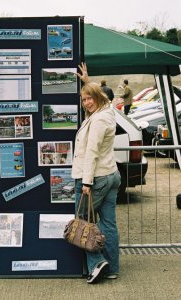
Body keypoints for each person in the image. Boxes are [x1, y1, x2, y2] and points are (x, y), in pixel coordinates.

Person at [72, 62, 121, 284]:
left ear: (98, 99)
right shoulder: (108, 111)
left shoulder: (100, 119)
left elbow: (92, 152)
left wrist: (86, 182)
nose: (87, 102)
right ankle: (112, 268)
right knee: (108, 223)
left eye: (90, 98)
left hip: (97, 178)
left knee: (82, 221)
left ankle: (97, 262)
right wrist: (88, 82)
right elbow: (106, 99)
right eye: (84, 99)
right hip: (111, 174)